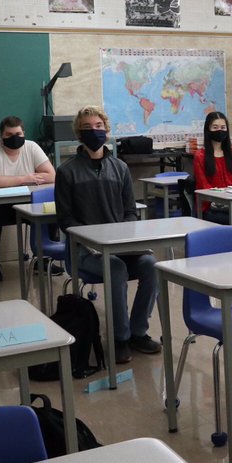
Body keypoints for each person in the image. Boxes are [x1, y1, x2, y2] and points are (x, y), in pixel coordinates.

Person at [55, 106, 160, 364]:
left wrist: (121, 236)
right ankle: (119, 338)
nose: (94, 131)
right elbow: (65, 220)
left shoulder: (120, 168)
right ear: (79, 133)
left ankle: (138, 331)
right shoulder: (67, 171)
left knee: (151, 265)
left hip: (120, 246)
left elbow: (130, 211)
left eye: (99, 126)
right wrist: (93, 239)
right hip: (84, 250)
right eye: (88, 128)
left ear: (107, 130)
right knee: (115, 269)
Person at [0, 116, 56, 281]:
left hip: (24, 201)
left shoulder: (31, 146)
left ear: (23, 133)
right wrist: (25, 178)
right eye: (9, 134)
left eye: (18, 133)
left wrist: (5, 180)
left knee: (49, 208)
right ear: (1, 135)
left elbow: (51, 175)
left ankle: (43, 260)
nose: (14, 138)